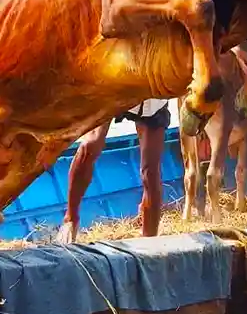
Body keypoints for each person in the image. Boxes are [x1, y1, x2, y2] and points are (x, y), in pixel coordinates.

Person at [58, 99, 171, 241]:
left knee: (150, 172)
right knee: (90, 146)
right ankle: (70, 219)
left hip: (152, 102)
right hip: (118, 90)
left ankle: (149, 242)